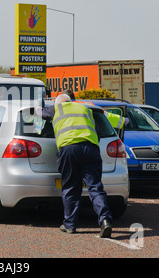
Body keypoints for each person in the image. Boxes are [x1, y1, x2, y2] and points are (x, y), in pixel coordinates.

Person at [35, 94, 113, 238]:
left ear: (58, 103)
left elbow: (39, 113)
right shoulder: (85, 109)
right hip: (91, 148)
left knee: (71, 187)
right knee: (95, 187)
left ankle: (70, 225)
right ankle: (105, 220)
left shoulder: (56, 109)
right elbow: (96, 131)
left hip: (70, 148)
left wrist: (37, 105)